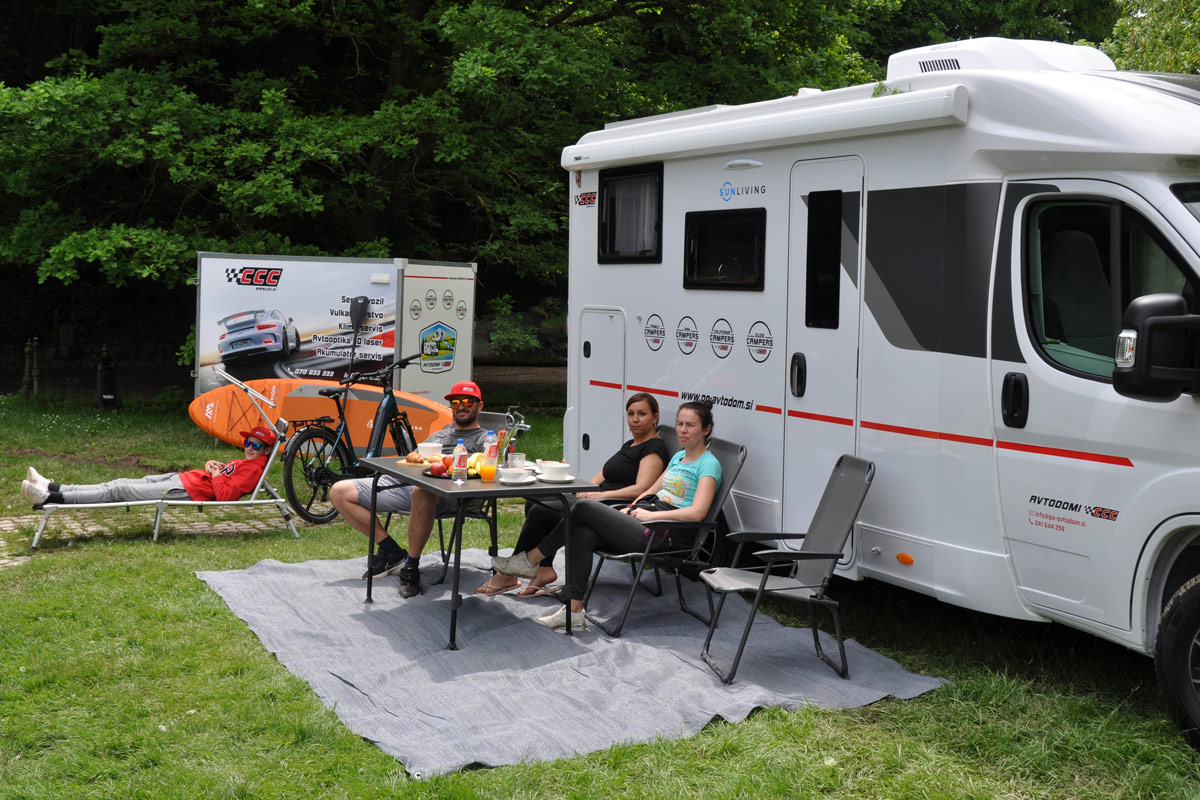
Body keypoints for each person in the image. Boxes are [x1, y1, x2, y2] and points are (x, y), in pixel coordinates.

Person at [491, 400, 721, 631]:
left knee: (582, 508)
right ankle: (574, 612)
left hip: (665, 533)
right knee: (582, 533)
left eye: (690, 425)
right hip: (644, 519)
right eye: (680, 424)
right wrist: (632, 507)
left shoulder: (709, 464)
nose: (682, 430)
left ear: (706, 429)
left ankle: (530, 560)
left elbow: (698, 513)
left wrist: (650, 517)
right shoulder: (678, 458)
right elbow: (651, 490)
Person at [475, 392, 670, 597]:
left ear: (655, 417)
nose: (635, 419)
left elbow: (641, 489)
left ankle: (510, 573)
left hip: (611, 508)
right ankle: (543, 569)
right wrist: (588, 488)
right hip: (596, 499)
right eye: (631, 414)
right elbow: (603, 475)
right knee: (535, 502)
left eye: (642, 414)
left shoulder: (654, 448)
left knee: (542, 510)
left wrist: (598, 496)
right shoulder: (630, 444)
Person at [329, 380, 489, 598]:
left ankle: (411, 567)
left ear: (479, 405)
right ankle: (392, 552)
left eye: (468, 402)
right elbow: (415, 459)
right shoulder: (440, 435)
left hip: (443, 494)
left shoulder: (484, 439)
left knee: (421, 492)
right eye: (456, 402)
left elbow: (487, 469)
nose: (461, 406)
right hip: (408, 484)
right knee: (339, 491)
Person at [19, 426, 277, 506]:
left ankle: (50, 498)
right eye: (248, 442)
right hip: (184, 479)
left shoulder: (254, 469)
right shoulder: (247, 461)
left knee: (119, 491)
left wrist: (217, 474)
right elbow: (224, 474)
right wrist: (212, 465)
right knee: (118, 483)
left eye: (256, 445)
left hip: (186, 491)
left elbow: (225, 497)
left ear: (266, 450)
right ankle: (52, 486)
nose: (249, 447)